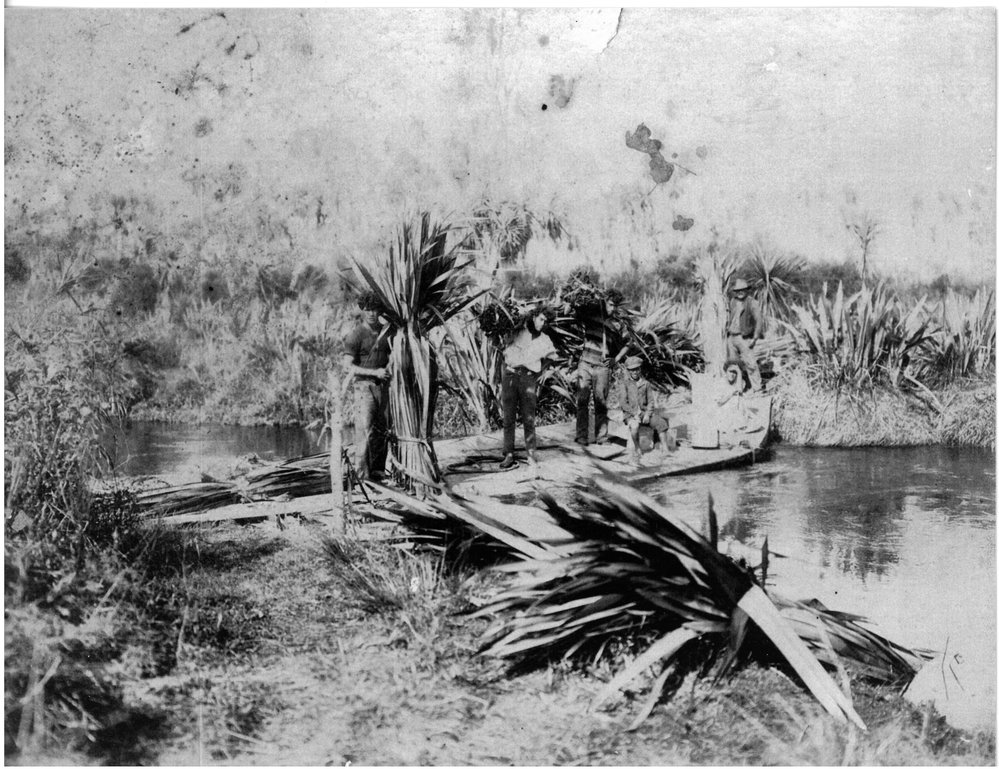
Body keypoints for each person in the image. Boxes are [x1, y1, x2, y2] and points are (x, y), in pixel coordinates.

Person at [499, 306, 558, 470]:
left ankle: (531, 454)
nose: (543, 323)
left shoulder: (544, 339)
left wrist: (541, 371)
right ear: (533, 317)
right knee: (508, 417)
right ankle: (508, 454)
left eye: (546, 321)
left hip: (528, 378)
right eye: (541, 319)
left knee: (529, 418)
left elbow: (553, 356)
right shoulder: (516, 332)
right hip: (510, 376)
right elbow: (502, 349)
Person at [341, 291, 391, 481]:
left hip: (383, 386)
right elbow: (348, 366)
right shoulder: (356, 335)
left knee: (381, 430)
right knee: (365, 431)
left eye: (374, 309)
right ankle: (362, 476)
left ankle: (378, 472)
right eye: (367, 309)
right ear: (362, 309)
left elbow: (392, 353)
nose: (371, 313)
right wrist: (374, 372)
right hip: (364, 387)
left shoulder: (386, 331)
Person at [574, 289, 625, 445]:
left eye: (616, 306)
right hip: (585, 363)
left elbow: (629, 343)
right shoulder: (591, 314)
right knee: (582, 399)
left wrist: (615, 359)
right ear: (605, 302)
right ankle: (582, 436)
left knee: (601, 402)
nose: (613, 308)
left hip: (602, 367)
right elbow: (573, 310)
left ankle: (601, 436)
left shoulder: (618, 323)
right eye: (610, 304)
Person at [620, 355, 670, 466]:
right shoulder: (624, 384)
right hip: (630, 414)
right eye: (632, 370)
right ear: (628, 371)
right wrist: (634, 414)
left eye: (637, 369)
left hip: (643, 413)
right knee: (635, 426)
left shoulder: (645, 383)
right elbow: (623, 403)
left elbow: (651, 401)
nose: (635, 372)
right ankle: (637, 448)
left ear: (640, 369)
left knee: (661, 423)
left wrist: (647, 414)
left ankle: (665, 449)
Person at [725, 278, 764, 393]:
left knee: (750, 363)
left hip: (744, 338)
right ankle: (738, 388)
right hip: (731, 337)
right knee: (733, 364)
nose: (740, 292)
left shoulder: (752, 302)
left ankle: (757, 388)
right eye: (737, 290)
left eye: (742, 290)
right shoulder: (732, 301)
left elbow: (759, 321)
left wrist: (755, 337)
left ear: (747, 290)